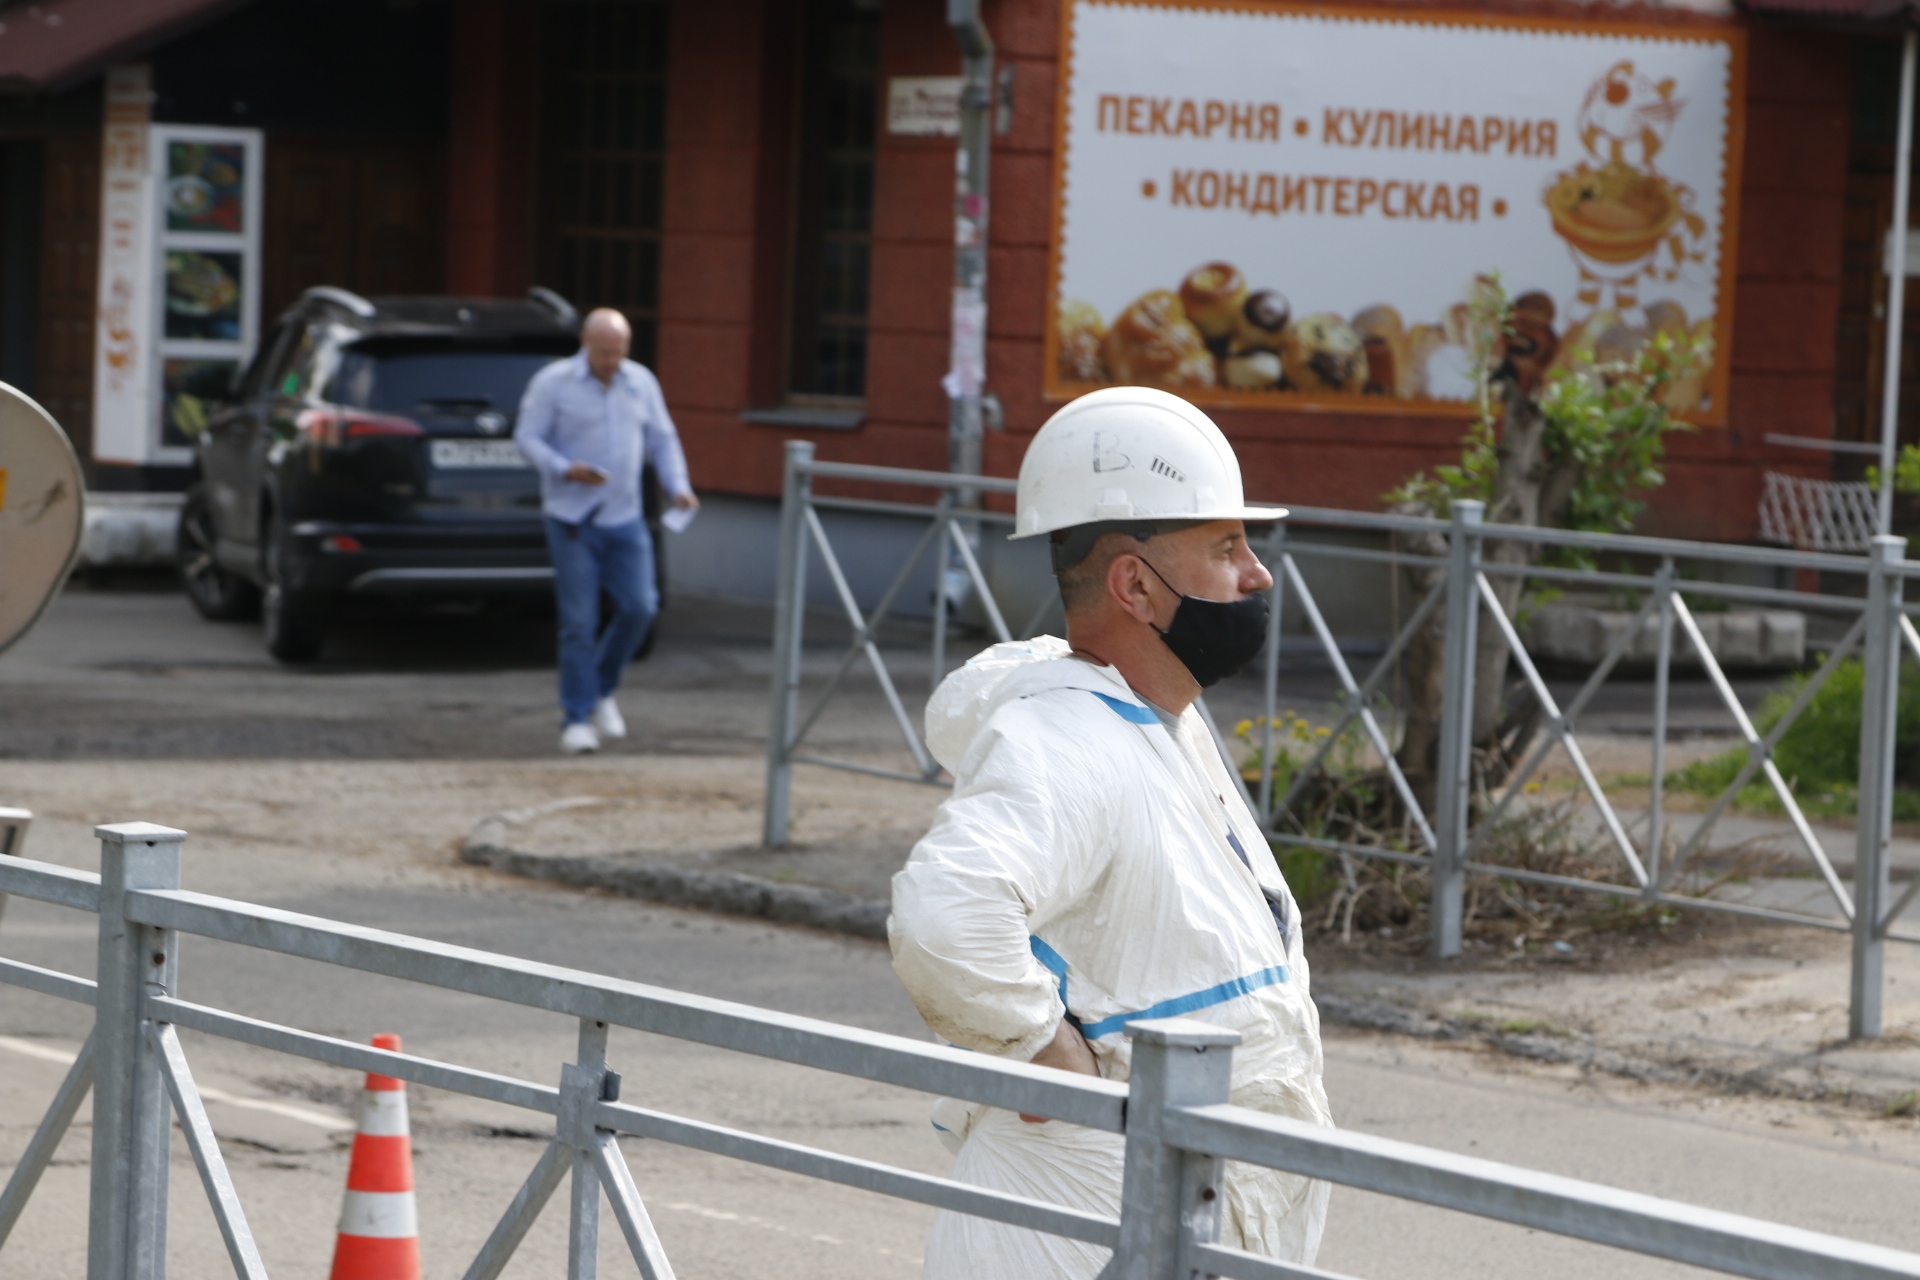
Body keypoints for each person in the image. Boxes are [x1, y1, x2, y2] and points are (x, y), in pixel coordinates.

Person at [889, 385, 1331, 1278]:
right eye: (1226, 547)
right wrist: (1045, 1052)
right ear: (1135, 584)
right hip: (1084, 1221)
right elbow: (945, 914)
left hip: (1157, 1207)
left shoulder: (1152, 717)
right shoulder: (1066, 738)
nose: (1258, 575)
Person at [515, 308, 697, 755]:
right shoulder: (553, 382)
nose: (612, 361)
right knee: (579, 622)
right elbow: (527, 438)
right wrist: (564, 469)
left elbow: (662, 438)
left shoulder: (640, 382)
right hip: (572, 518)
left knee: (641, 608)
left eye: (619, 352)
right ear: (584, 343)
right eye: (604, 352)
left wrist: (678, 486)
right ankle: (576, 719)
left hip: (625, 516)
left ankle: (599, 688)